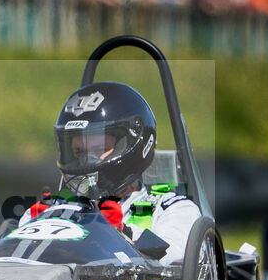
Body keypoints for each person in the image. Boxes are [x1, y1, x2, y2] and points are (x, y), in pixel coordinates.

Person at [19, 82, 200, 264]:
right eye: (78, 152)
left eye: (99, 149)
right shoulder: (56, 207)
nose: (85, 161)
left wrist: (120, 232)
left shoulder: (172, 209)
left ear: (130, 143)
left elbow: (173, 257)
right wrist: (35, 227)